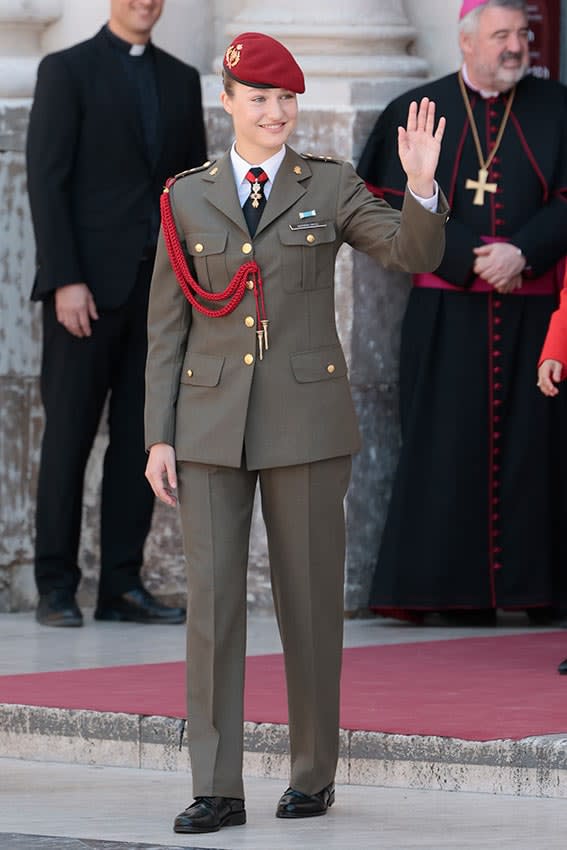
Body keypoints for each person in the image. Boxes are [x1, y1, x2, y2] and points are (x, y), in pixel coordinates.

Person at [144, 30, 448, 834]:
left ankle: (311, 775)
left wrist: (419, 189)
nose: (275, 111)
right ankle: (217, 786)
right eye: (259, 97)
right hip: (209, 424)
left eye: (285, 98)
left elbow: (407, 251)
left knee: (308, 604)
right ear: (228, 102)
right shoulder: (185, 196)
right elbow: (166, 331)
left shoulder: (332, 186)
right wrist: (158, 435)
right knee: (210, 611)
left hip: (306, 425)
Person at [357, 0, 567, 626]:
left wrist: (524, 252)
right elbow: (381, 203)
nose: (515, 46)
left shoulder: (557, 107)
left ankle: (539, 591)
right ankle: (448, 592)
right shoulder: (418, 109)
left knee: (537, 454)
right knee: (444, 448)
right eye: (500, 34)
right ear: (466, 42)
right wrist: (470, 255)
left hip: (534, 314)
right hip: (448, 312)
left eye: (522, 34)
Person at [26, 0, 207, 627]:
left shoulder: (182, 79)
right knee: (69, 437)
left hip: (158, 297)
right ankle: (55, 584)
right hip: (85, 295)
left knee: (142, 439)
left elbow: (193, 192)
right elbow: (46, 182)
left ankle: (121, 586)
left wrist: (193, 290)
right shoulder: (65, 70)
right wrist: (65, 280)